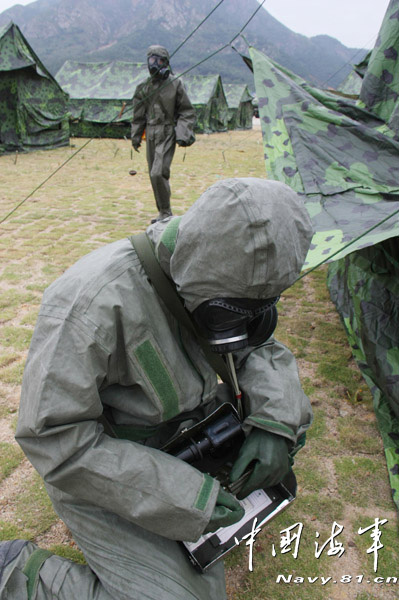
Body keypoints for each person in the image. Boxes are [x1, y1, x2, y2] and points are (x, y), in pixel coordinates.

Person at [0, 178, 313, 600]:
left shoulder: (231, 276)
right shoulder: (89, 306)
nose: (241, 325)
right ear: (194, 270)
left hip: (192, 430)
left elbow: (258, 347)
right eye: (228, 312)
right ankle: (18, 573)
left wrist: (275, 424)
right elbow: (57, 441)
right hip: (105, 469)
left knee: (291, 426)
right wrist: (186, 497)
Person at [131, 45, 196, 223]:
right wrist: (136, 136)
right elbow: (138, 114)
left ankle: (166, 212)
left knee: (158, 173)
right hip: (151, 132)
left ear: (166, 62)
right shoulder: (144, 87)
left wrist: (182, 133)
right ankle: (162, 212)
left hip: (167, 132)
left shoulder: (176, 84)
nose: (155, 64)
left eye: (159, 60)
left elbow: (187, 111)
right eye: (152, 60)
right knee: (153, 173)